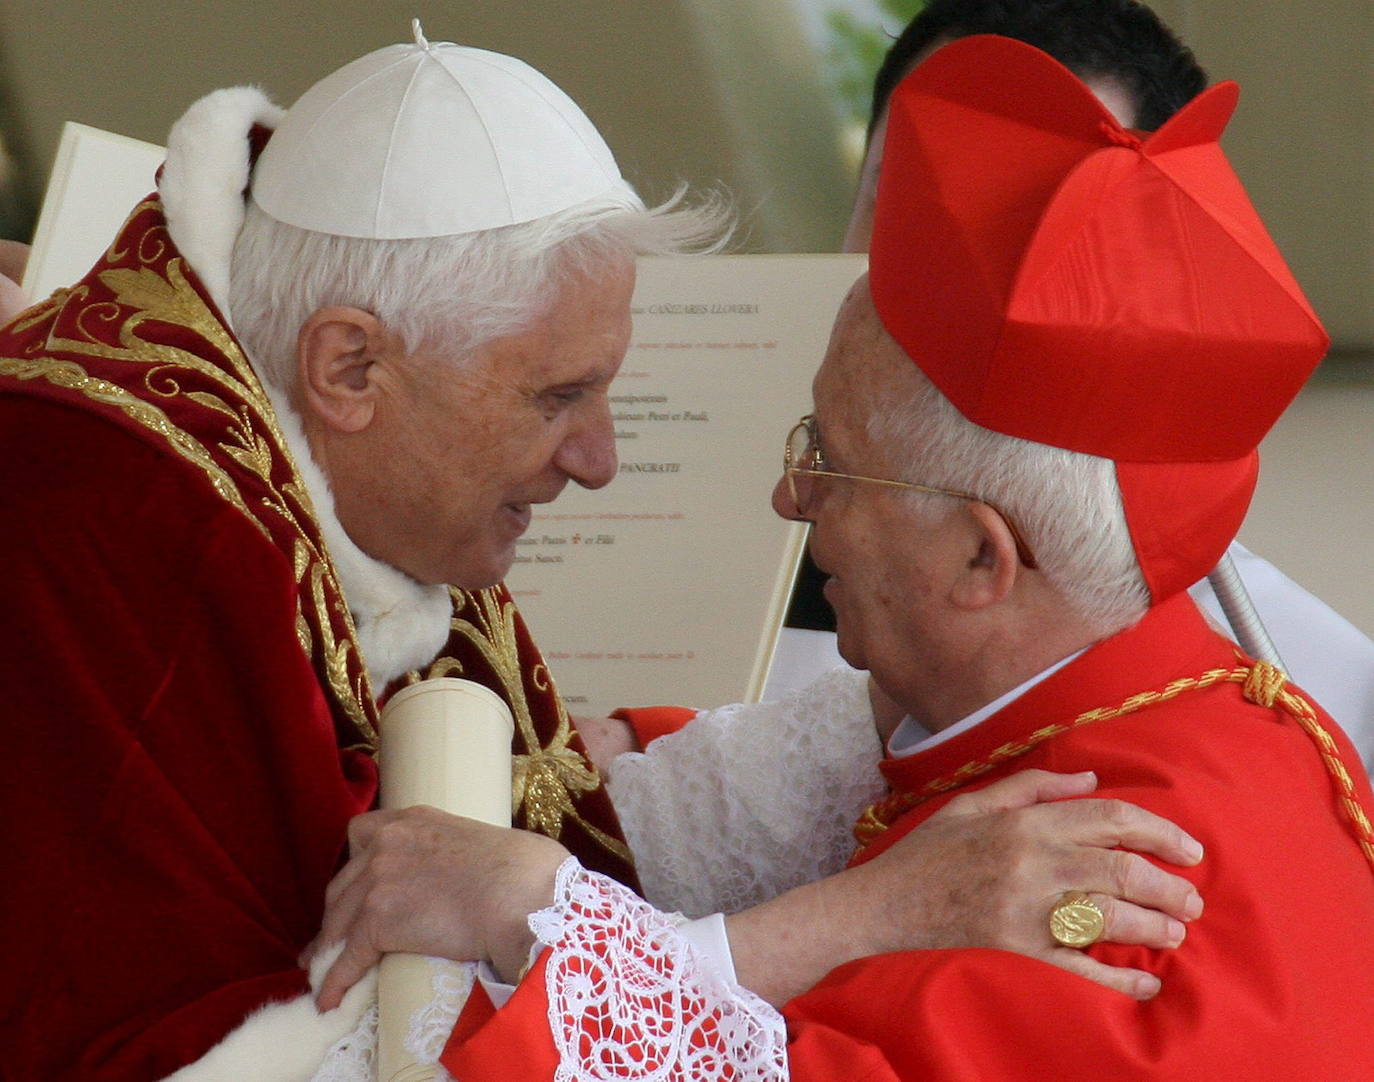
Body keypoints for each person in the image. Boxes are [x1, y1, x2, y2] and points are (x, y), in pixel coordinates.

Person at [0, 25, 1199, 1082]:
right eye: (558, 396)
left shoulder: (313, 456)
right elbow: (257, 1043)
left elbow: (529, 836)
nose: (599, 459)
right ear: (351, 367)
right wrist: (860, 916)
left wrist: (952, 707)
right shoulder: (102, 535)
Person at [314, 35, 1374, 1080]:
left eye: (827, 456)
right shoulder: (1193, 707)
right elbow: (839, 753)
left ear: (980, 560)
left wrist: (537, 910)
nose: (789, 493)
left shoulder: (1094, 909)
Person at [779, 0, 1374, 766]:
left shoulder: (1321, 694)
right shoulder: (664, 515)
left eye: (1043, 230)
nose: (963, 290)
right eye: (911, 207)